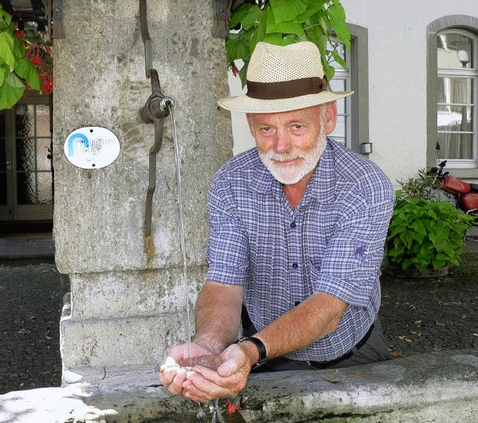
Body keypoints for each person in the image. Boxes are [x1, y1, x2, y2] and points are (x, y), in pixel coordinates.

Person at [159, 41, 394, 403]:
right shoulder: (230, 184)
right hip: (265, 356)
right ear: (251, 125)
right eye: (266, 129)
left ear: (328, 118)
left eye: (296, 125)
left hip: (352, 353)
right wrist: (207, 347)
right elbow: (224, 281)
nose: (280, 146)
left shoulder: (365, 186)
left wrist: (250, 351)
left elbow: (330, 307)